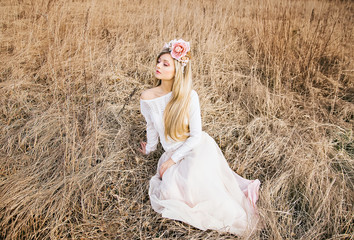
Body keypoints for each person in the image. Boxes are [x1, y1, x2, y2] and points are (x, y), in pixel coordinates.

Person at [139, 39, 261, 236]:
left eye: (165, 63)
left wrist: (171, 161)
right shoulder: (147, 97)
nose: (158, 66)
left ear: (178, 70)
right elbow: (151, 126)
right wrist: (150, 149)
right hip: (172, 151)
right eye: (158, 61)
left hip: (196, 148)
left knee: (201, 188)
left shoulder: (189, 96)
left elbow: (195, 136)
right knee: (169, 192)